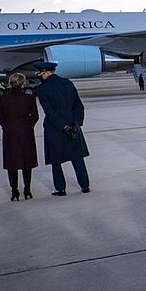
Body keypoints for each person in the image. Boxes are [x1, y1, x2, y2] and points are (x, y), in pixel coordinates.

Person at [33, 61, 91, 196]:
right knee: (77, 157)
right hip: (73, 124)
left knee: (56, 160)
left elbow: (50, 112)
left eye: (40, 74)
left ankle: (60, 188)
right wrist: (77, 123)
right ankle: (85, 185)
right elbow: (78, 105)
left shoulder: (42, 88)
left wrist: (63, 127)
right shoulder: (68, 83)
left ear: (45, 73)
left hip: (55, 128)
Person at [0, 73, 38, 201]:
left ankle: (14, 191)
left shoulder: (3, 99)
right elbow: (35, 116)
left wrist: (6, 126)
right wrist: (28, 126)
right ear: (23, 83)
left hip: (10, 133)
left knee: (12, 162)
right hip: (26, 132)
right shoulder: (29, 99)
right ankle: (27, 190)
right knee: (27, 162)